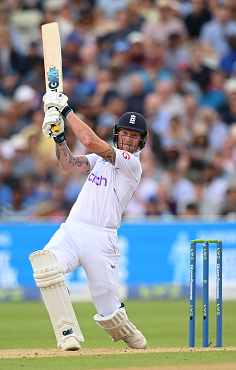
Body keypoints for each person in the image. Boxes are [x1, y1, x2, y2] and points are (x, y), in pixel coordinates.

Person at [29, 92, 149, 351]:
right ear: (118, 134)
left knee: (110, 313)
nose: (128, 139)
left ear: (141, 142)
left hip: (101, 239)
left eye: (134, 136)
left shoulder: (131, 164)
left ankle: (128, 331)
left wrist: (66, 110)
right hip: (73, 229)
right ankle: (67, 333)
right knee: (46, 267)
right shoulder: (101, 161)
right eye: (125, 134)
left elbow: (89, 141)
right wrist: (59, 137)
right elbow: (68, 164)